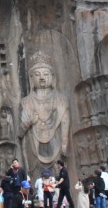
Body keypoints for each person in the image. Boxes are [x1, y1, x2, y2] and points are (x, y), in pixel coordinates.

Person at [19, 52, 70, 180]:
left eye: (46, 74)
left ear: (52, 77)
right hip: (33, 143)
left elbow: (65, 121)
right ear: (31, 78)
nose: (42, 78)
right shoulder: (26, 102)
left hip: (55, 141)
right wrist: (29, 122)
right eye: (37, 75)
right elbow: (20, 133)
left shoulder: (61, 99)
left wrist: (64, 143)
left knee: (57, 172)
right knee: (35, 173)